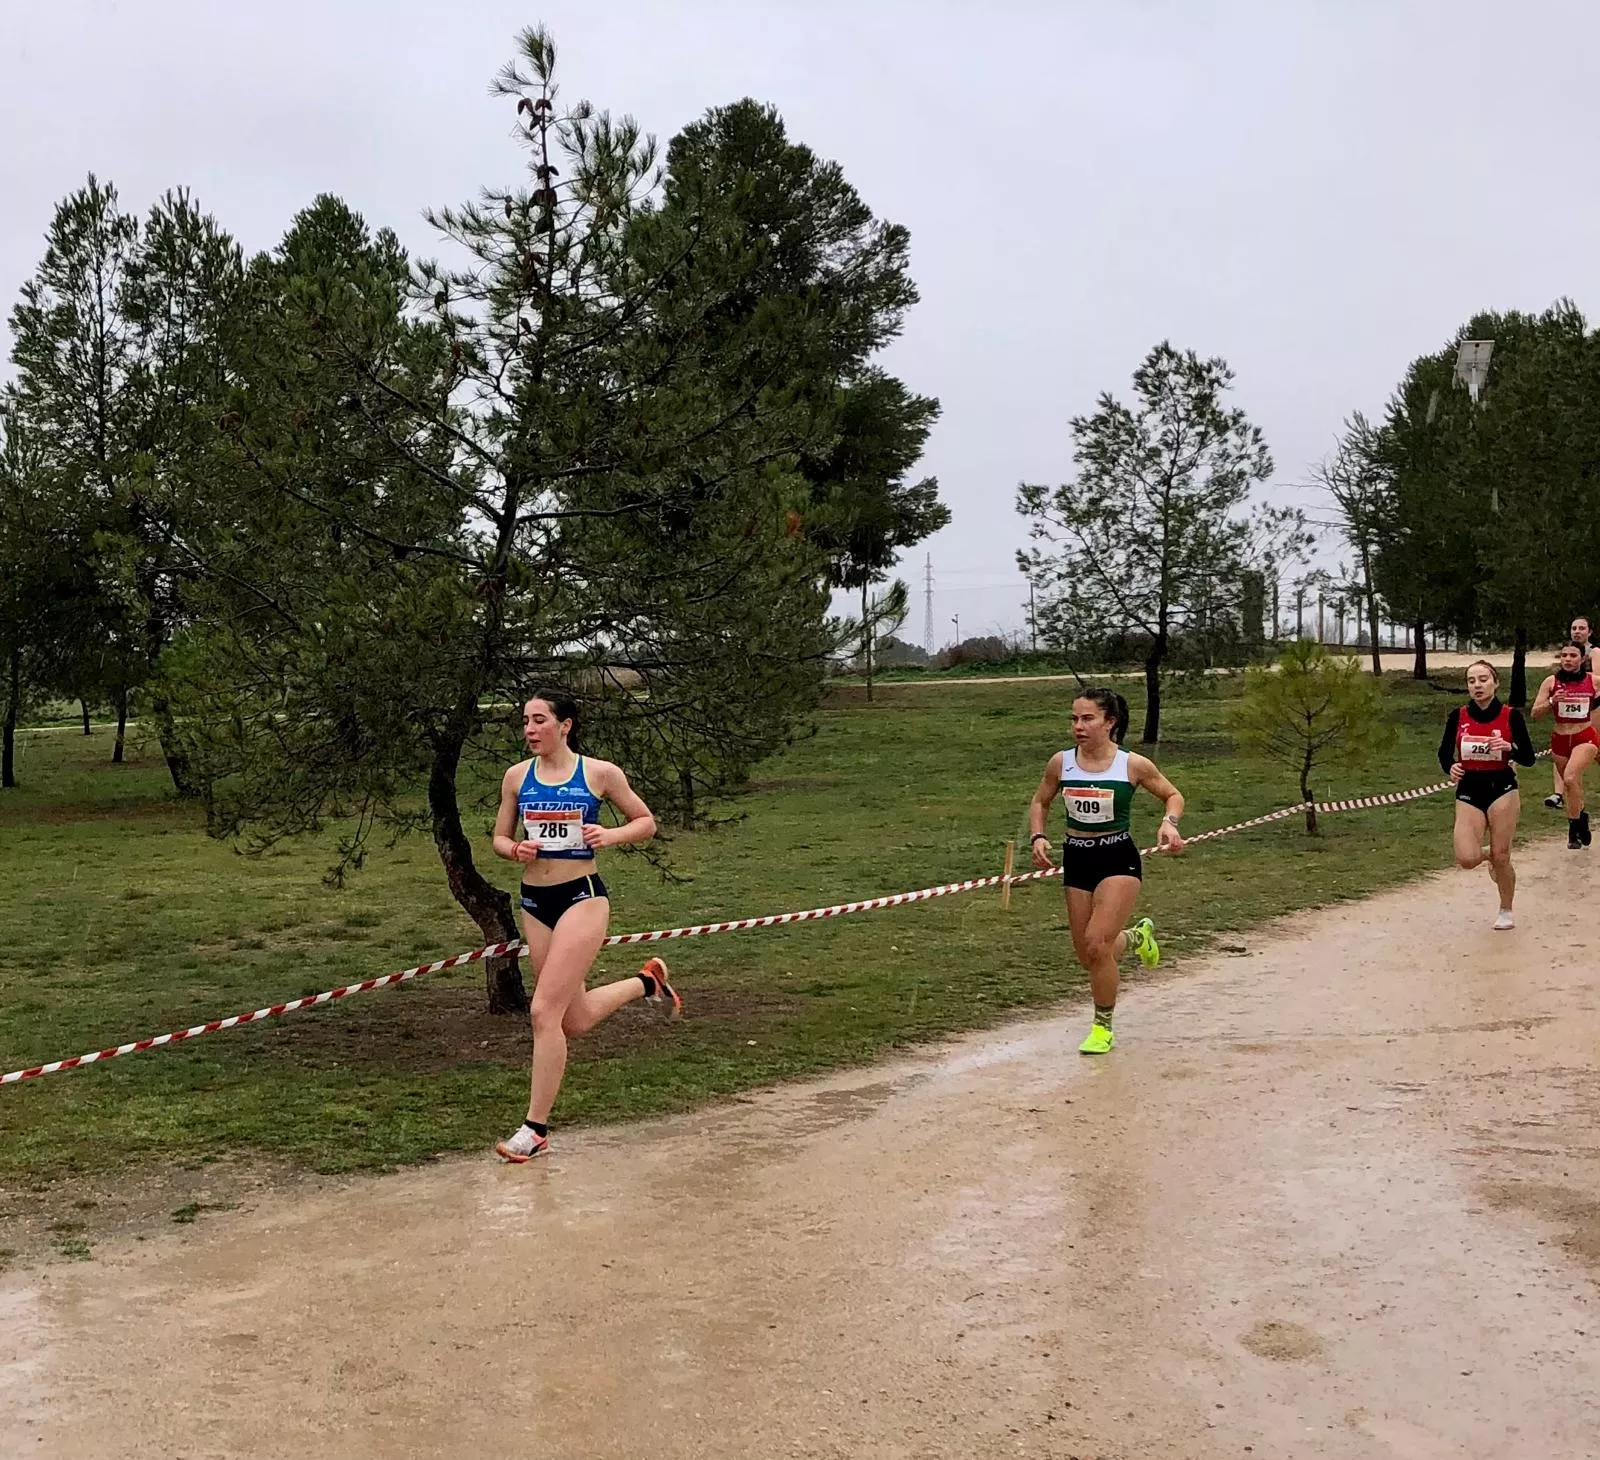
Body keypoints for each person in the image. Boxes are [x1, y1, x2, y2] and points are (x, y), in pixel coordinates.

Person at [490, 691, 678, 1162]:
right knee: (573, 1021)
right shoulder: (516, 777)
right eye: (525, 722)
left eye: (539, 721)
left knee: (541, 1013)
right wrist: (514, 850)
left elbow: (646, 822)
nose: (530, 730)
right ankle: (647, 983)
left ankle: (534, 1130)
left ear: (565, 725)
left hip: (582, 898)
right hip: (535, 901)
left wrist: (609, 834)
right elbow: (498, 837)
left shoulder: (599, 773)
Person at [1027, 687, 1185, 1054]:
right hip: (1077, 858)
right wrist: (1038, 836)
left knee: (1097, 943)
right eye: (1074, 719)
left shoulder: (1132, 765)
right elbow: (1040, 800)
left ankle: (1102, 1027)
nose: (1078, 727)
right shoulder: (1060, 762)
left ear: (1109, 722)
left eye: (1087, 718)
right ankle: (1136, 938)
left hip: (1118, 858)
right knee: (1089, 954)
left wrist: (1170, 822)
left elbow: (1172, 795)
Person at [1441, 660, 1535, 929]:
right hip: (1469, 789)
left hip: (1502, 787)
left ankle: (1506, 909)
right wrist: (1451, 767)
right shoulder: (1458, 716)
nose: (1477, 685)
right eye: (1471, 681)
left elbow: (1528, 758)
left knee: (1502, 856)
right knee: (1467, 858)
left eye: (1483, 679)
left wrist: (1509, 746)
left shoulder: (1510, 716)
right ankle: (1490, 856)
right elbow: (1444, 753)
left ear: (1495, 683)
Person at [1532, 643, 1600, 850]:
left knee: (1569, 778)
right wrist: (1552, 701)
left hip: (1585, 737)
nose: (1568, 659)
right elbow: (1535, 713)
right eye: (1564, 655)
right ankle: (1581, 818)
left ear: (1582, 659)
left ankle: (1573, 830)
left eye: (1573, 655)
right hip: (1560, 740)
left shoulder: (1594, 681)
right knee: (1572, 786)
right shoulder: (1551, 682)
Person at [1545, 617, 1600, 808]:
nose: (1577, 631)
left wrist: (1587, 701)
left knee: (1592, 752)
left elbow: (1597, 681)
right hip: (1565, 718)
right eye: (1574, 628)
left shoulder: (1594, 653)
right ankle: (1559, 793)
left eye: (1582, 628)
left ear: (1589, 632)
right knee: (1565, 755)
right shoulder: (1565, 654)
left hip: (1590, 709)